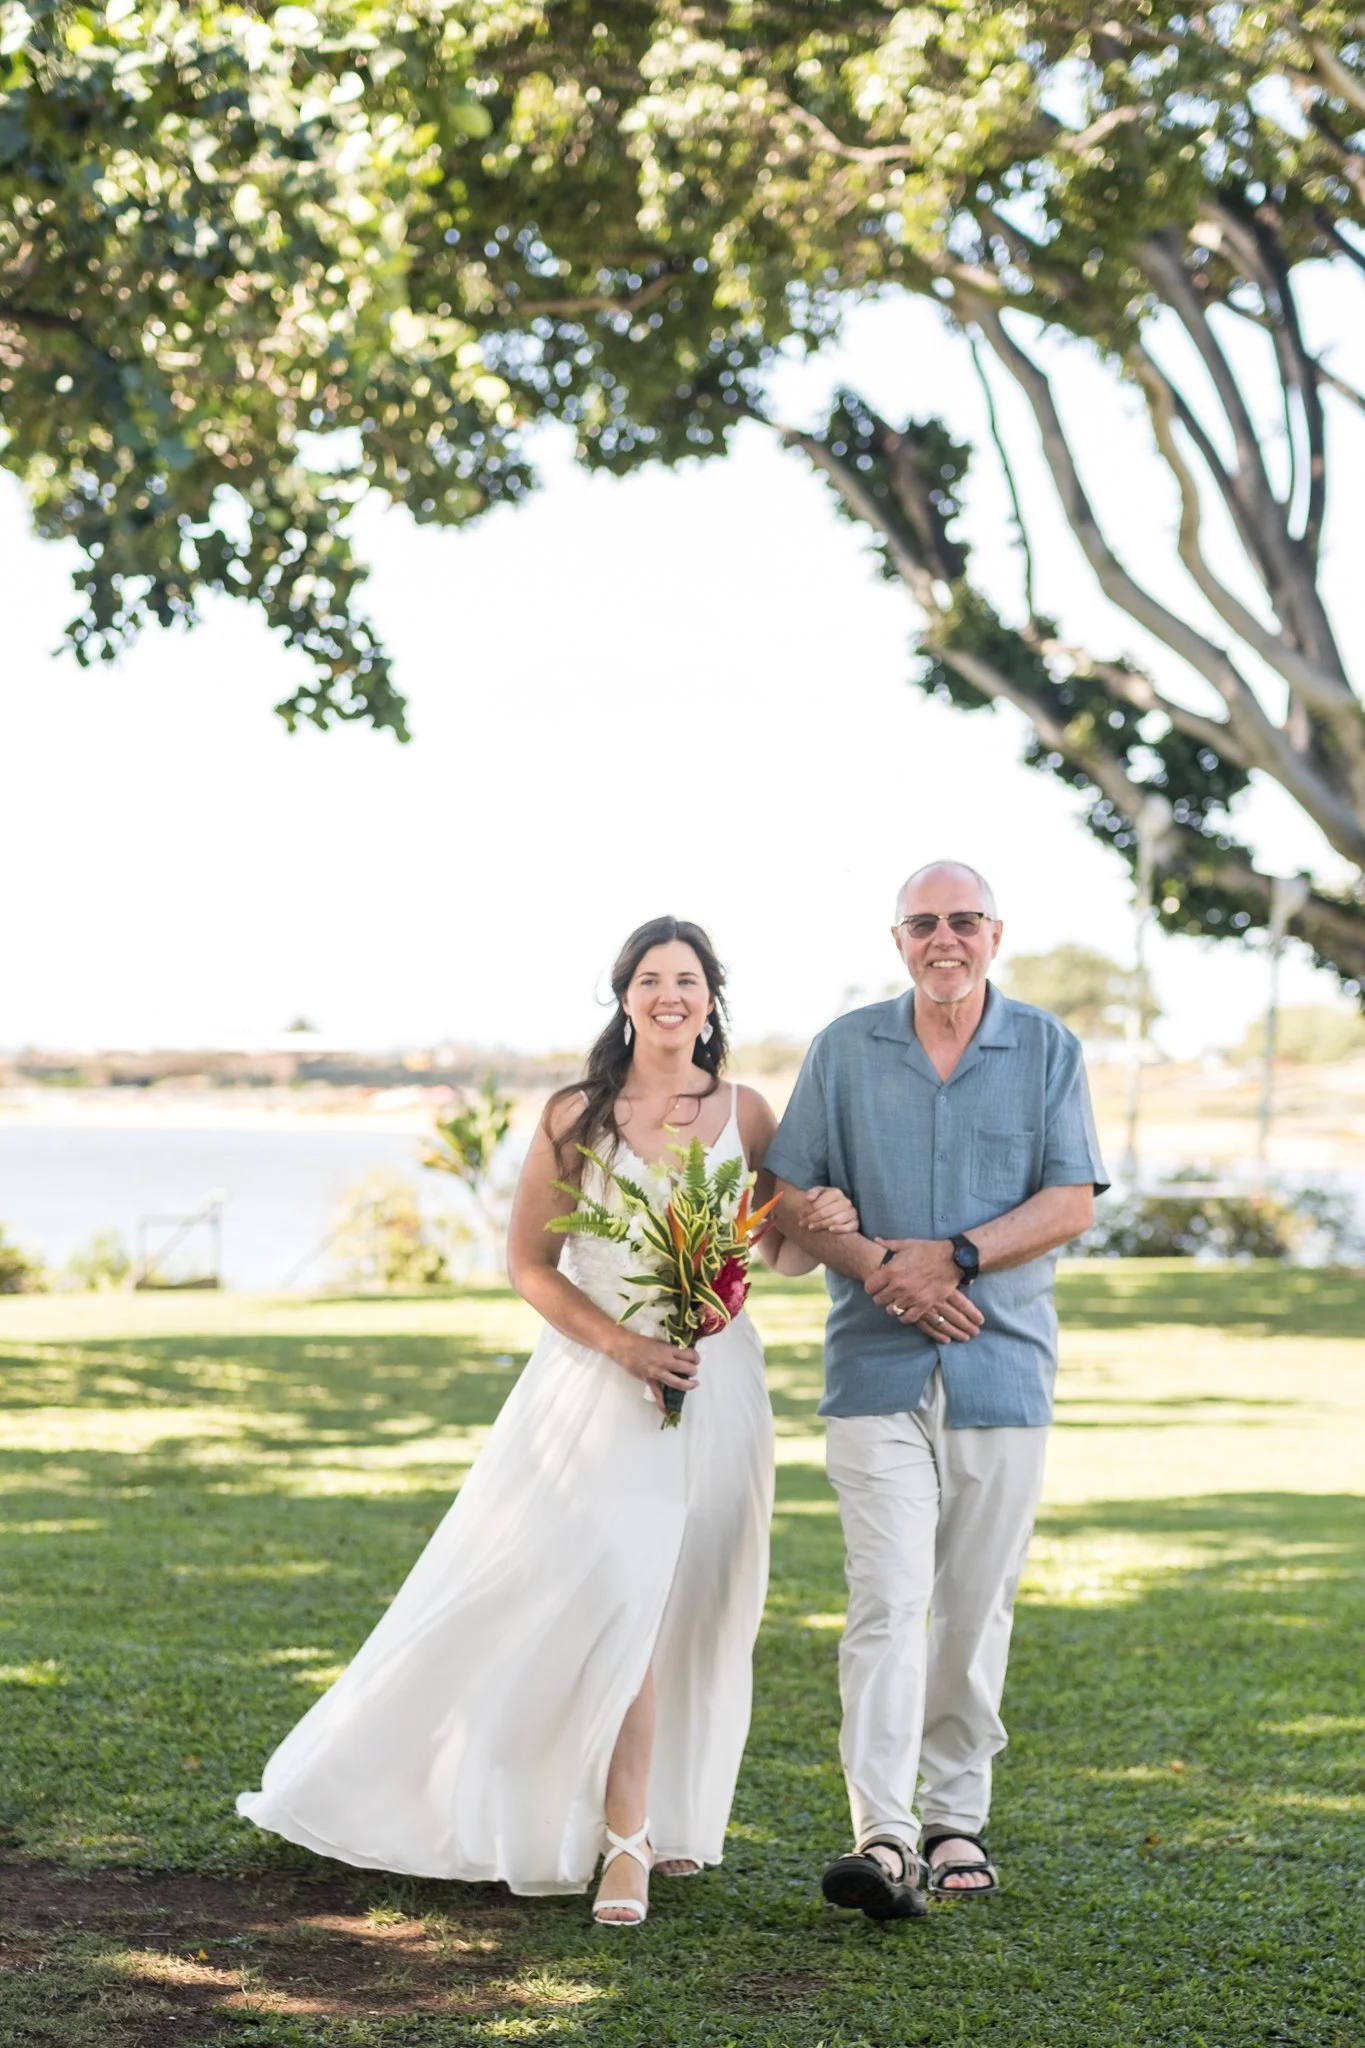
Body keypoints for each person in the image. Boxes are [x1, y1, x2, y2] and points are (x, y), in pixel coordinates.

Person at [237, 915, 855, 1926]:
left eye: (688, 979)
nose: (670, 994)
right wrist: (625, 1346)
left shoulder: (745, 1110)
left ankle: (669, 1814)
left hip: (720, 1380)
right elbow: (530, 1262)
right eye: (651, 978)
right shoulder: (578, 1111)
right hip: (598, 1382)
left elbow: (776, 1243)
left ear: (711, 999)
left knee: (695, 1598)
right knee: (623, 1587)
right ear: (624, 996)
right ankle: (622, 1838)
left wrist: (818, 1216)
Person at [765, 862, 1108, 1919]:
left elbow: (1069, 1201)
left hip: (1004, 1373)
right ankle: (884, 1832)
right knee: (886, 1600)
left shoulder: (1048, 1048)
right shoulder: (844, 1048)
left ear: (995, 935)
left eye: (963, 921)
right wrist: (883, 1265)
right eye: (924, 923)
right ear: (899, 938)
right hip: (874, 1371)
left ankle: (957, 1814)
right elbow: (786, 1194)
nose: (943, 938)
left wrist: (953, 1254)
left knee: (972, 1606)